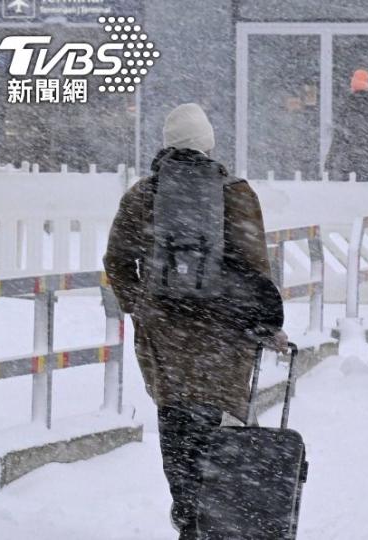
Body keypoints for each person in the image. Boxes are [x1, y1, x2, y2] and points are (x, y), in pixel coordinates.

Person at [103, 103, 288, 538]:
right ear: (207, 143)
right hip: (223, 337)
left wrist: (141, 305)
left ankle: (188, 514)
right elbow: (255, 266)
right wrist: (265, 323)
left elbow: (116, 260)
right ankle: (221, 518)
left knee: (176, 421)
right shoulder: (236, 192)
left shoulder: (142, 195)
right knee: (219, 424)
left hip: (165, 335)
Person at [326, 69, 368, 182]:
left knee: (350, 191)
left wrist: (330, 159)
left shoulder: (347, 104)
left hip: (350, 156)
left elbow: (339, 134)